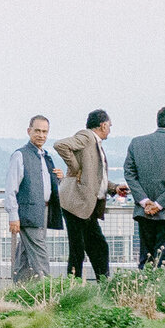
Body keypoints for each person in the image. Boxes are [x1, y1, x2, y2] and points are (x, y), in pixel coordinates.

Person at [122, 107, 165, 270]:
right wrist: (159, 204)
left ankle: (142, 292)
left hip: (144, 212)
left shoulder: (137, 143)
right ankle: (160, 292)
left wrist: (145, 201)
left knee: (146, 260)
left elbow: (129, 173)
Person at [52, 110, 119, 281]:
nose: (110, 129)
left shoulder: (94, 143)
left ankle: (100, 284)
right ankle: (76, 289)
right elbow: (60, 145)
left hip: (85, 206)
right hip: (76, 204)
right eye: (109, 126)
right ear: (103, 125)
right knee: (79, 250)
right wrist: (74, 168)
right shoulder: (88, 137)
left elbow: (95, 177)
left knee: (97, 247)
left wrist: (114, 188)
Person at [2, 116, 60, 283]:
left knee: (25, 254)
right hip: (28, 212)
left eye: (44, 131)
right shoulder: (20, 155)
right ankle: (49, 291)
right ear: (29, 131)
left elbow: (45, 185)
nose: (41, 135)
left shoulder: (45, 156)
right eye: (37, 131)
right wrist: (13, 215)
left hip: (43, 210)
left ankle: (19, 291)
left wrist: (59, 178)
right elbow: (11, 188)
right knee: (40, 254)